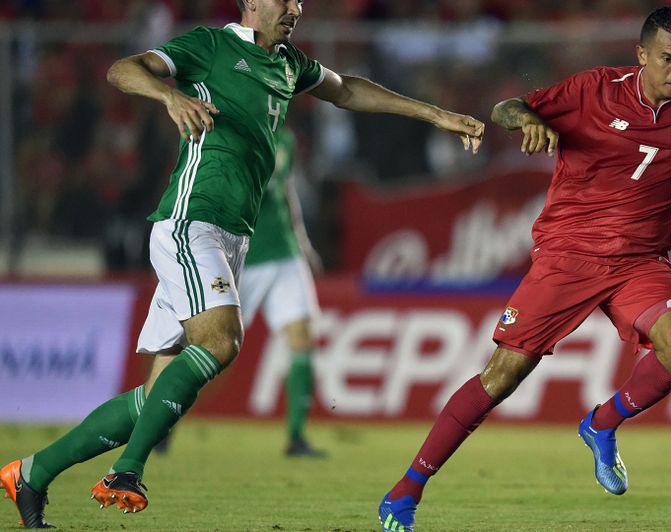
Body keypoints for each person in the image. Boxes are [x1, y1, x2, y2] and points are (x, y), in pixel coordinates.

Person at [0, 0, 484, 527]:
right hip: (192, 221)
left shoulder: (290, 64)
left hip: (234, 237)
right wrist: (170, 95)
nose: (296, 8)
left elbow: (345, 89)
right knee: (221, 341)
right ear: (252, 0)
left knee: (155, 399)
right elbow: (123, 69)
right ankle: (127, 471)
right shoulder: (210, 46)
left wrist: (435, 114)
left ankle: (31, 473)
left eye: (299, 0)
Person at [378, 6, 671, 532]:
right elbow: (506, 108)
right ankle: (404, 493)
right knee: (504, 375)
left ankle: (601, 424)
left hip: (641, 262)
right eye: (667, 59)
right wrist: (531, 120)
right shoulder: (594, 90)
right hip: (570, 252)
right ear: (641, 55)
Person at [154, 127, 327, 458]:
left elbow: (286, 190)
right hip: (236, 254)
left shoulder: (285, 138)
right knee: (206, 346)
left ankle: (296, 437)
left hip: (284, 252)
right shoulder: (226, 131)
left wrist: (303, 242)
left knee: (303, 337)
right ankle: (162, 423)